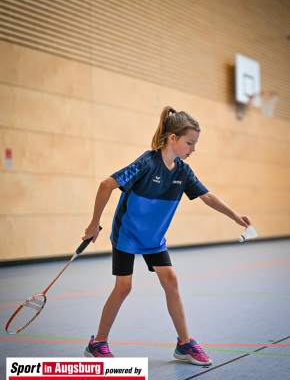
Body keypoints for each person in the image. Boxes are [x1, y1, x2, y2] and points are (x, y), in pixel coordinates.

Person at [82, 106, 251, 366]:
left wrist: (235, 216)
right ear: (173, 138)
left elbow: (206, 196)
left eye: (195, 144)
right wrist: (95, 224)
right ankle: (98, 343)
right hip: (127, 234)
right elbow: (107, 184)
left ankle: (185, 344)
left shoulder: (182, 172)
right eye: (190, 143)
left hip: (153, 239)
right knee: (124, 287)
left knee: (170, 280)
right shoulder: (146, 163)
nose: (193, 148)